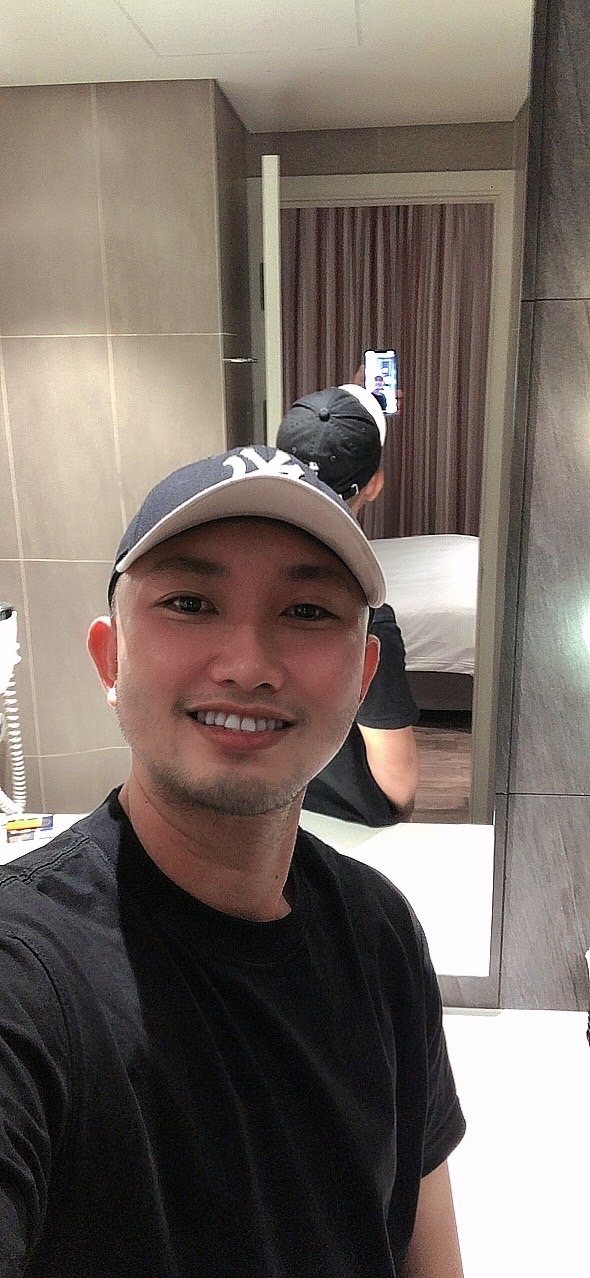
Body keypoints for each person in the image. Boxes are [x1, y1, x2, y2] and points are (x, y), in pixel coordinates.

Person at [0, 445, 465, 1277]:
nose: (248, 667)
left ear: (364, 678)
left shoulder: (381, 932)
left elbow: (427, 1250)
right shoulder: (26, 976)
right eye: (189, 602)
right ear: (110, 659)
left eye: (308, 612)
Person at [277, 385, 420, 825]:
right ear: (375, 484)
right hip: (344, 825)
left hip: (261, 815)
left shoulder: (234, 594)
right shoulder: (366, 621)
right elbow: (398, 786)